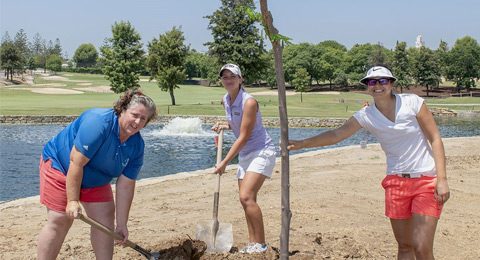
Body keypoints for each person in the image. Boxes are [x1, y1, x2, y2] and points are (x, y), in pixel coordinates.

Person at [287, 65, 450, 259]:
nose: (377, 85)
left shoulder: (413, 103)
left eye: (382, 80)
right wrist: (302, 143)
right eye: (372, 82)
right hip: (396, 183)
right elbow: (337, 134)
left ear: (391, 83)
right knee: (405, 246)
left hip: (426, 181)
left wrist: (442, 179)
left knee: (421, 246)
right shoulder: (366, 115)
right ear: (367, 86)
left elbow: (435, 138)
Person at [37, 87, 157, 260]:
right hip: (61, 167)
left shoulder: (137, 146)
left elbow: (125, 185)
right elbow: (76, 162)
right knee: (60, 219)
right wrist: (72, 201)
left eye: (143, 119)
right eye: (134, 115)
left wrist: (122, 223)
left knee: (105, 219)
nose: (137, 122)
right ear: (122, 110)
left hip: (95, 179)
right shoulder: (98, 123)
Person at [211, 64, 276, 254]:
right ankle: (252, 243)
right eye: (225, 77)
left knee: (246, 196)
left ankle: (261, 245)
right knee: (247, 200)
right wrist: (224, 125)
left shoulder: (249, 102)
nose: (228, 80)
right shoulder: (225, 99)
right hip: (246, 154)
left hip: (261, 151)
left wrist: (224, 163)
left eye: (233, 76)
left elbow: (244, 135)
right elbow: (238, 126)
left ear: (241, 79)